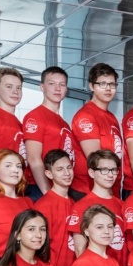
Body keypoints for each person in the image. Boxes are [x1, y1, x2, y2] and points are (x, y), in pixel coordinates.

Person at [24, 66, 88, 198]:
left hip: (61, 188)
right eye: (51, 84)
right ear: (42, 87)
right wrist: (48, 193)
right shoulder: (35, 116)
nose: (57, 88)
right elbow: (33, 158)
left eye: (62, 84)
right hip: (40, 188)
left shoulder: (63, 123)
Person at [34, 149, 76, 266]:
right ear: (49, 174)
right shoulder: (44, 205)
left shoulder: (75, 203)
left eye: (69, 168)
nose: (67, 173)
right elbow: (37, 251)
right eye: (60, 169)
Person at [73, 63, 128, 194]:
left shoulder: (111, 117)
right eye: (102, 84)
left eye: (112, 84)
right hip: (89, 191)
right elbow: (96, 161)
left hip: (111, 189)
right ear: (92, 86)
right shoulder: (86, 116)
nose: (108, 88)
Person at [68, 150, 128, 266]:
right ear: (91, 173)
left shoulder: (123, 205)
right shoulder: (82, 205)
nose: (110, 175)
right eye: (104, 170)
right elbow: (80, 248)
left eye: (113, 170)